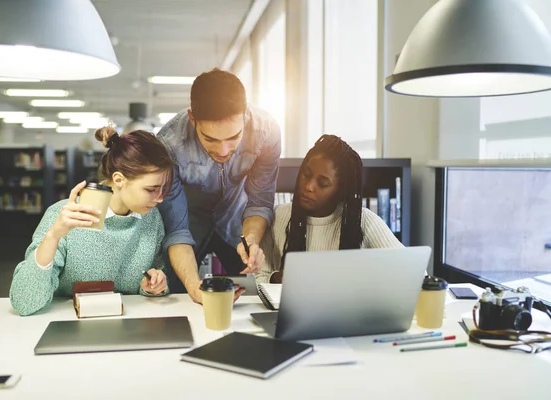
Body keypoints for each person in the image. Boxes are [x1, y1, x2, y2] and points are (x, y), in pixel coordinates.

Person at [9, 127, 173, 316]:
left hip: (127, 323)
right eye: (151, 189)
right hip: (67, 325)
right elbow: (23, 303)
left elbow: (153, 277)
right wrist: (53, 236)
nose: (160, 198)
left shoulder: (151, 218)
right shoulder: (64, 215)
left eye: (163, 188)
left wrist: (152, 285)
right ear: (119, 180)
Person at [157, 68, 281, 302]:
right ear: (192, 119)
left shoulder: (267, 132)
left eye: (233, 137)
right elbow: (176, 229)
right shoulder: (168, 145)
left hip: (236, 220)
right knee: (177, 296)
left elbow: (260, 201)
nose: (223, 151)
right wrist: (194, 287)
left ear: (245, 116)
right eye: (211, 139)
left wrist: (252, 240)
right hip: (187, 223)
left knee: (250, 296)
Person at [256, 134, 403, 284]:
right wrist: (276, 278)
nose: (308, 187)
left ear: (340, 190)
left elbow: (412, 272)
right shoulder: (278, 216)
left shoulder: (364, 221)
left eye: (323, 183)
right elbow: (259, 275)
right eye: (306, 174)